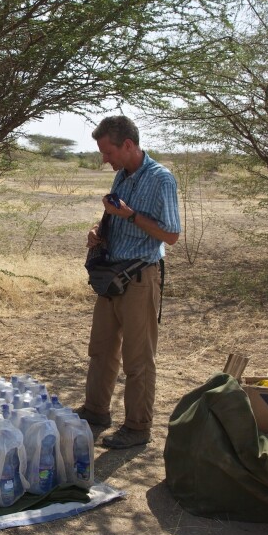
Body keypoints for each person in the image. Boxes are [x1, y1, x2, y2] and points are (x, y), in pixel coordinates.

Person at [76, 116, 181, 449]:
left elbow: (171, 234)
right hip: (111, 277)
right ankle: (95, 412)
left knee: (138, 358)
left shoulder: (161, 179)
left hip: (139, 279)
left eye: (108, 151)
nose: (105, 159)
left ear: (128, 145)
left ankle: (137, 427)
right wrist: (98, 231)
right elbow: (114, 217)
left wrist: (131, 215)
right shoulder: (122, 175)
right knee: (101, 350)